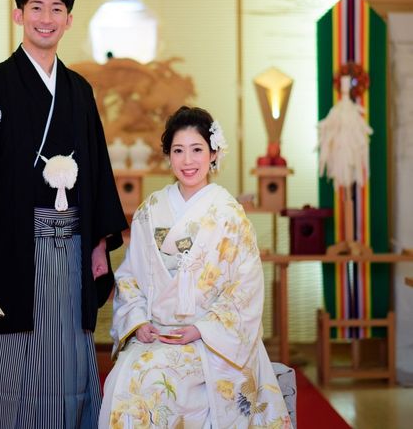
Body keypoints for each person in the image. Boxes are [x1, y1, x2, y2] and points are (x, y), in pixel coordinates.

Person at [0, 0, 128, 428]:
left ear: (69, 20)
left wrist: (99, 244)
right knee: (7, 359)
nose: (46, 18)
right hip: (6, 249)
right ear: (18, 14)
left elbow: (96, 172)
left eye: (56, 9)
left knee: (66, 360)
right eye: (37, 8)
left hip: (69, 248)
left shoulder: (79, 91)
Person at [99, 106, 291, 428]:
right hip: (158, 332)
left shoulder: (229, 214)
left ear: (213, 153)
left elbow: (245, 287)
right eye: (178, 150)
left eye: (197, 150)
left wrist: (202, 329)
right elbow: (130, 275)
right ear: (168, 156)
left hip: (212, 339)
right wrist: (138, 321)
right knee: (126, 381)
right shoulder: (151, 210)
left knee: (162, 381)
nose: (187, 161)